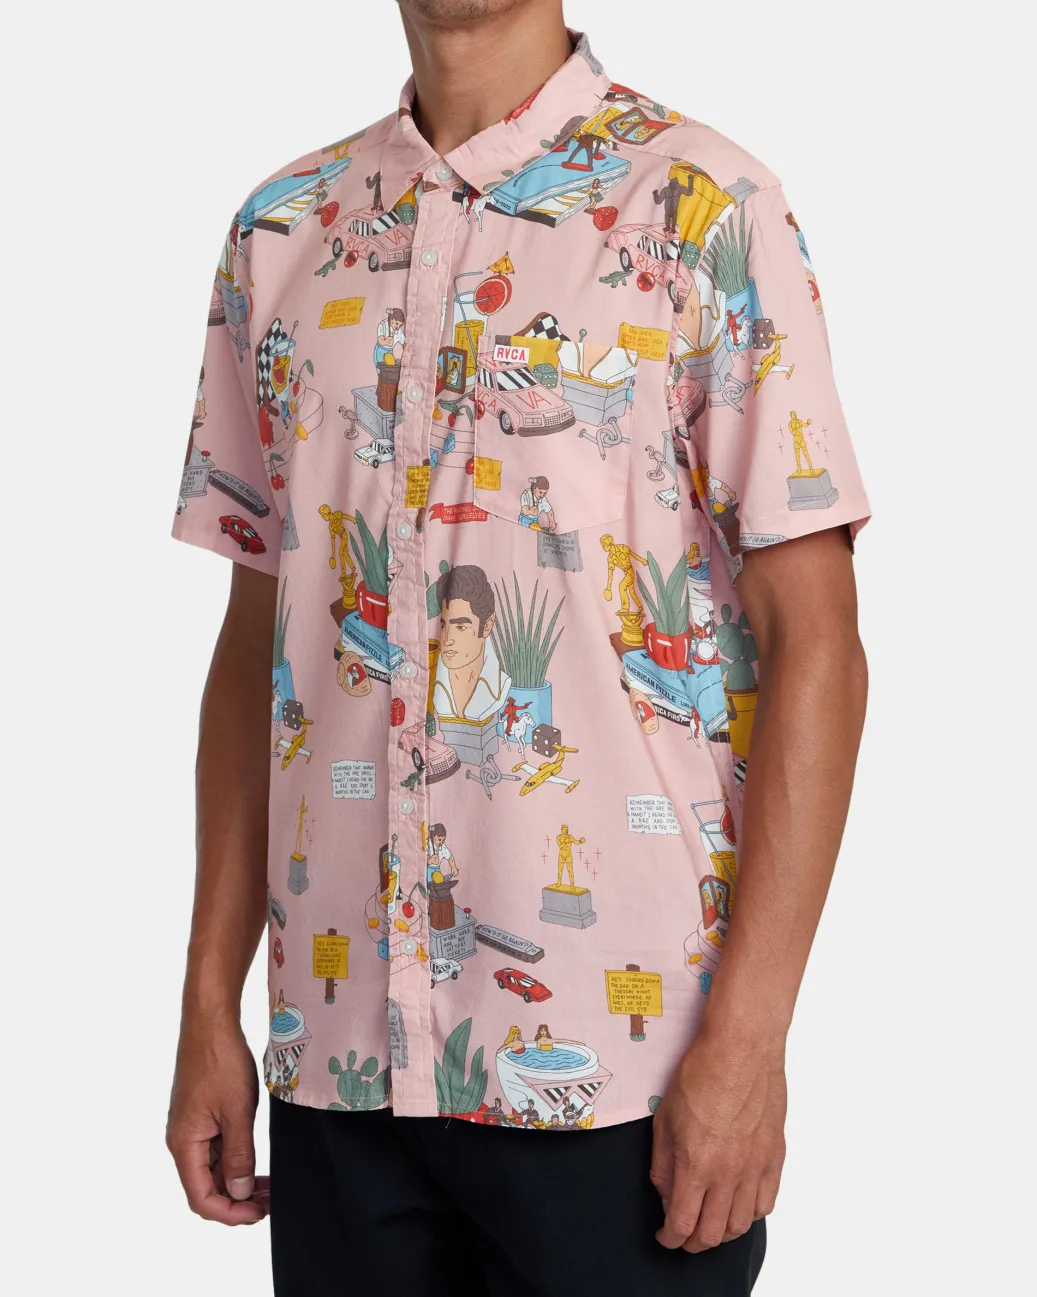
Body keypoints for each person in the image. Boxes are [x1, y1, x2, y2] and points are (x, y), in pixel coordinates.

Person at [166, 3, 870, 1295]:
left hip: (626, 1075)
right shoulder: (283, 228)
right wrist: (209, 1002)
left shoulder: (705, 207)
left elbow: (816, 636)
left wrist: (751, 1043)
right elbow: (260, 640)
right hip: (339, 1063)